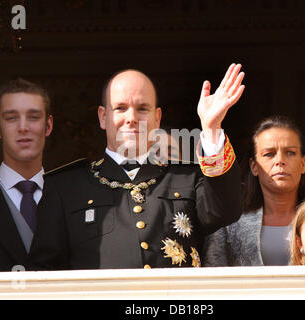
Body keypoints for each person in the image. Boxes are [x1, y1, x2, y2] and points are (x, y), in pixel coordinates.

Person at [28, 64, 245, 270]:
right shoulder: (64, 187)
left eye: (142, 108)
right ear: (103, 117)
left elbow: (224, 211)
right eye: (120, 108)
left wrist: (211, 128)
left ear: (157, 118)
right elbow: (43, 272)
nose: (131, 118)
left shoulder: (188, 177)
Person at [203, 115, 305, 266]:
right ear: (254, 166)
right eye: (269, 154)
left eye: (290, 152)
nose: (280, 160)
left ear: (303, 164)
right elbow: (212, 278)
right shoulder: (228, 224)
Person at [0, 78, 53, 272]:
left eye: (33, 117)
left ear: (48, 126)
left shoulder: (72, 197)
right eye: (11, 117)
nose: (23, 127)